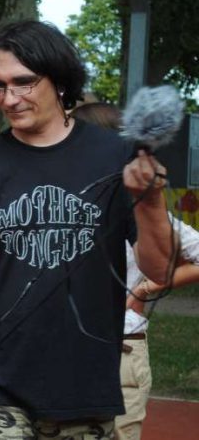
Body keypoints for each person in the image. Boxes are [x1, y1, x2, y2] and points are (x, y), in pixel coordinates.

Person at [0, 20, 175, 440]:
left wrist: (152, 203)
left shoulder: (114, 157)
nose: (10, 99)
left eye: (24, 83)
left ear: (60, 80)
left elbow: (159, 270)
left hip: (85, 385)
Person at [71, 102, 199, 440]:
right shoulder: (64, 206)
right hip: (66, 353)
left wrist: (148, 287)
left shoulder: (142, 213)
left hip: (122, 351)